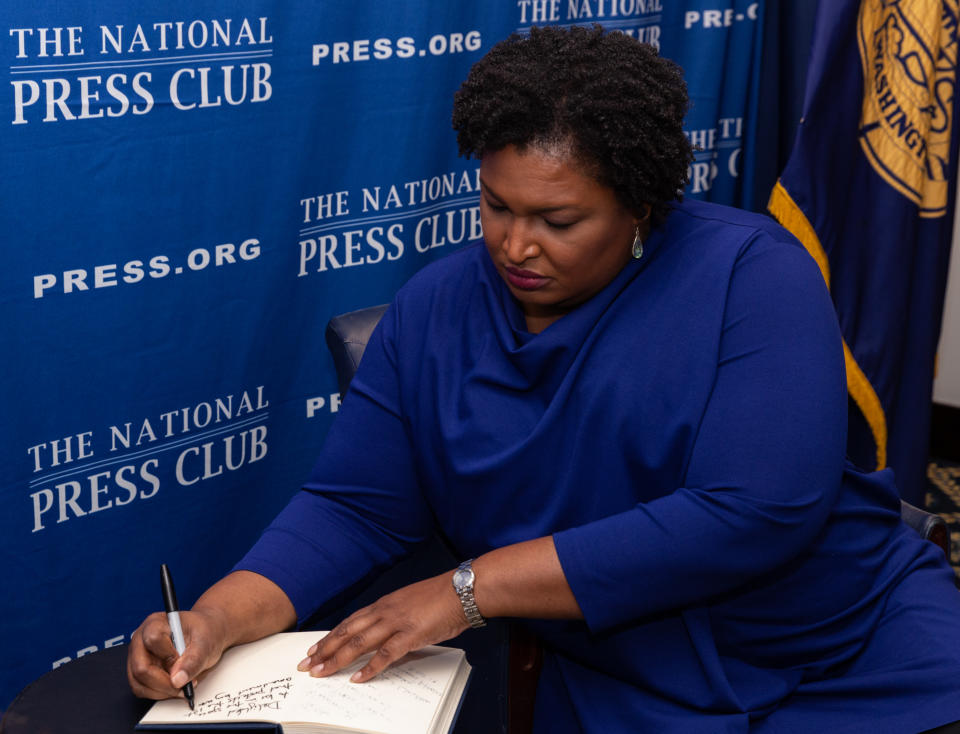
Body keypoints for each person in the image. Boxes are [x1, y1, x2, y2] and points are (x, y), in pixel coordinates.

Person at [128, 26, 960, 733]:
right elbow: (353, 505)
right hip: (622, 668)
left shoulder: (753, 276)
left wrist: (469, 590)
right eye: (495, 205)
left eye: (558, 221)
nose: (514, 246)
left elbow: (753, 511)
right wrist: (217, 618)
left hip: (839, 646)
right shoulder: (435, 310)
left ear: (641, 203)